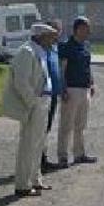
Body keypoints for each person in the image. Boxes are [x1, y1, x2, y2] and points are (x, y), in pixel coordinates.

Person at [1, 23, 59, 197]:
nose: (53, 39)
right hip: (34, 104)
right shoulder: (27, 52)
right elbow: (21, 82)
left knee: (39, 144)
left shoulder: (40, 51)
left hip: (43, 102)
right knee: (28, 145)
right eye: (50, 35)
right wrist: (33, 102)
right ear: (39, 36)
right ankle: (22, 185)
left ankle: (35, 179)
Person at [57, 16, 98, 166]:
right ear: (78, 29)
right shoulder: (67, 46)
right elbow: (62, 69)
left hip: (84, 88)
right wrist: (63, 88)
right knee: (66, 124)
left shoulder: (86, 46)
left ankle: (79, 154)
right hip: (71, 89)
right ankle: (62, 156)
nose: (89, 31)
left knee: (81, 124)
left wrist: (92, 83)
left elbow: (88, 67)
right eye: (86, 28)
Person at [41, 19, 66, 172]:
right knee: (41, 128)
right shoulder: (43, 48)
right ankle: (39, 160)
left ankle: (42, 158)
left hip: (54, 95)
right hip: (44, 94)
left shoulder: (56, 47)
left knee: (47, 127)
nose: (57, 33)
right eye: (55, 29)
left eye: (59, 30)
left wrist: (62, 88)